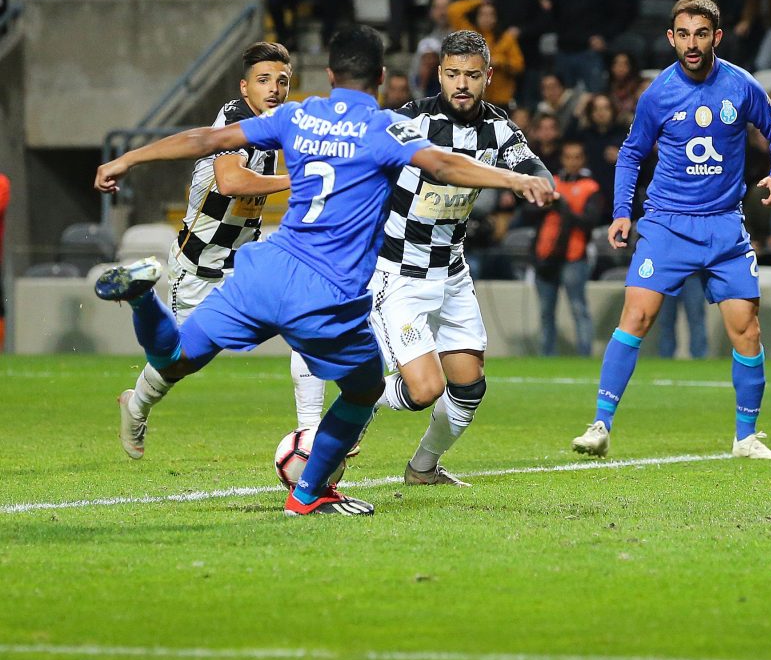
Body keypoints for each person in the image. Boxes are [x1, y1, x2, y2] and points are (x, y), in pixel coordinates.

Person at [93, 26, 556, 516]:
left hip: (266, 269)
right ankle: (309, 493)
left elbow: (204, 139)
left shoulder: (297, 114)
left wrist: (128, 158)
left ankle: (143, 299)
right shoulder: (386, 128)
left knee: (176, 357)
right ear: (381, 76)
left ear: (330, 75)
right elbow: (444, 166)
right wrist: (514, 180)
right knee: (365, 389)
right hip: (328, 290)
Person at [570, 0, 771, 460]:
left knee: (747, 330)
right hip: (667, 225)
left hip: (725, 226)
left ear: (717, 37)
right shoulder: (658, 94)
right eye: (684, 34)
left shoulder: (741, 85)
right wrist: (621, 212)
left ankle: (745, 438)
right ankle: (600, 425)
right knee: (636, 318)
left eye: (701, 34)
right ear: (671, 38)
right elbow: (632, 153)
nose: (692, 44)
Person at [114, 42, 318, 459]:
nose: (274, 88)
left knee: (307, 315)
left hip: (245, 264)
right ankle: (135, 406)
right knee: (176, 364)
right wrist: (298, 181)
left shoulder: (276, 125)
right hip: (198, 267)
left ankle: (313, 432)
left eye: (282, 81)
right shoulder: (235, 117)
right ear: (245, 87)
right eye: (264, 80)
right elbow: (231, 182)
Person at [368, 31, 554, 485]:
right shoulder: (410, 120)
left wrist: (538, 182)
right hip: (399, 272)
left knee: (469, 388)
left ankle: (423, 468)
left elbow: (530, 165)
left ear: (488, 76)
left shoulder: (499, 128)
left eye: (472, 75)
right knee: (422, 391)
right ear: (439, 74)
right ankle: (359, 394)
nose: (462, 84)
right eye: (453, 74)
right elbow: (423, 164)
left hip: (451, 274)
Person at [535, 139, 602, 358]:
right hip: (546, 254)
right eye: (568, 157)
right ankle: (546, 356)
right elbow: (530, 213)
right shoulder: (551, 183)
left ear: (583, 160)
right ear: (562, 159)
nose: (572, 162)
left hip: (575, 254)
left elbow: (590, 221)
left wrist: (564, 208)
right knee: (546, 311)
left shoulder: (590, 187)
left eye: (577, 157)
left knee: (578, 307)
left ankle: (585, 353)